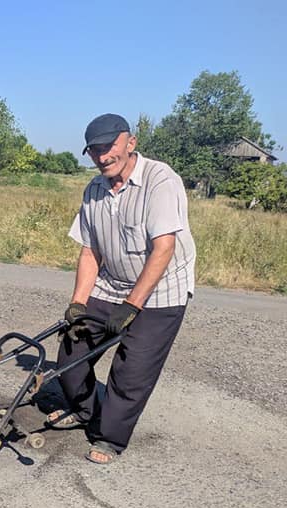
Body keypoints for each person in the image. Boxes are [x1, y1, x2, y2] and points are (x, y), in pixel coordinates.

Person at [50, 113, 196, 465]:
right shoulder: (95, 189)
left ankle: (110, 437)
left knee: (131, 370)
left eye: (109, 147)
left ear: (130, 143)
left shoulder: (160, 180)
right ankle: (85, 412)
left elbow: (164, 248)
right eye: (95, 150)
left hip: (160, 292)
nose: (102, 156)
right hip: (110, 284)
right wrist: (78, 304)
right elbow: (90, 250)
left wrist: (132, 306)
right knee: (71, 354)